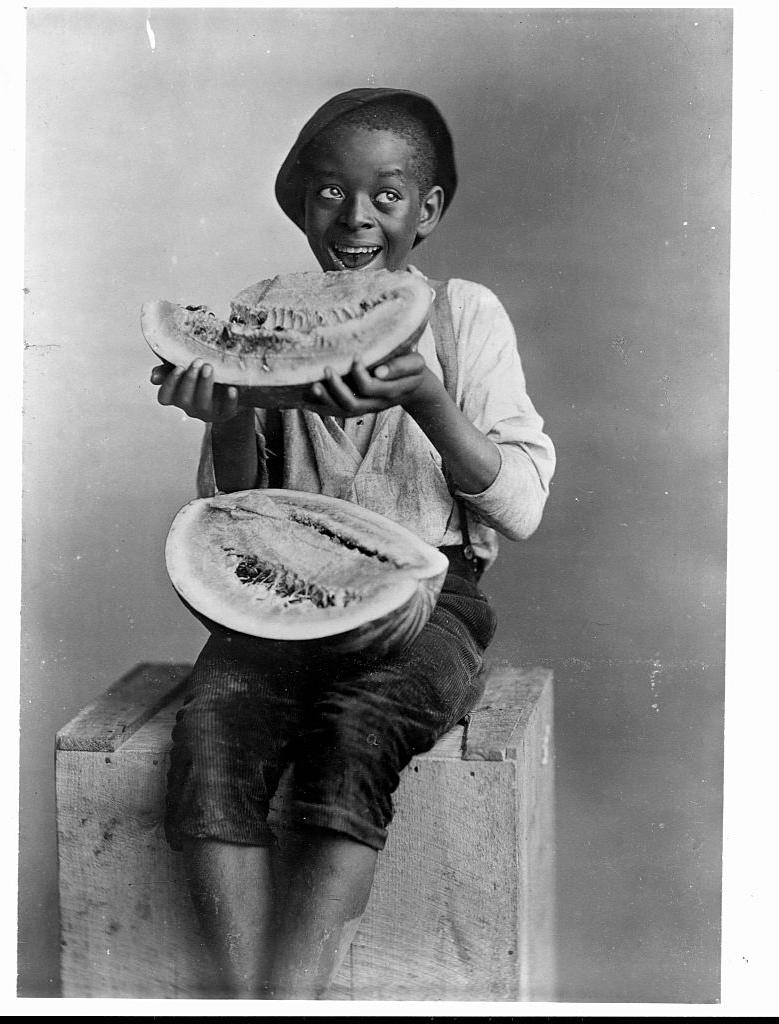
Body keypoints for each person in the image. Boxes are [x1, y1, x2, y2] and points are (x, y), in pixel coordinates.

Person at [149, 87, 555, 999]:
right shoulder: (264, 316)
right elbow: (231, 517)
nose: (358, 214)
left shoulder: (465, 317)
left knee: (358, 735)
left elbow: (521, 507)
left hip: (429, 599)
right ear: (301, 205)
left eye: (387, 193)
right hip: (285, 597)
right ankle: (250, 1002)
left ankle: (293, 999)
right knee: (210, 733)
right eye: (330, 192)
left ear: (428, 209)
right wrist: (227, 420)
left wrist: (428, 397)